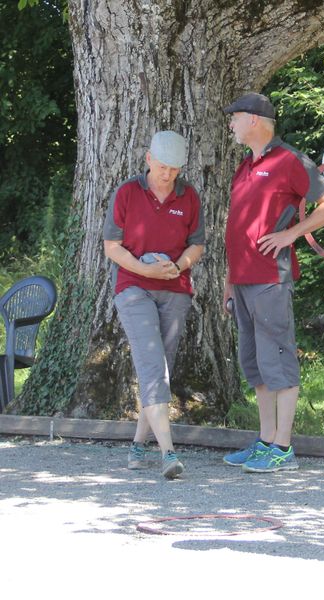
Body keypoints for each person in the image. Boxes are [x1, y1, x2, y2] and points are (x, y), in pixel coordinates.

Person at [221, 92, 324, 473]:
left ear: (255, 120)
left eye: (235, 117)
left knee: (278, 359)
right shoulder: (245, 165)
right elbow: (239, 229)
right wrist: (228, 280)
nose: (231, 124)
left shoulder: (289, 160)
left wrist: (292, 235)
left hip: (270, 278)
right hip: (241, 280)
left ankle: (283, 447)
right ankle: (265, 440)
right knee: (255, 363)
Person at [103, 131, 205, 479]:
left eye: (174, 169)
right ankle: (168, 453)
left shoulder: (188, 196)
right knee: (152, 366)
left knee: (161, 369)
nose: (168, 175)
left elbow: (197, 245)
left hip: (175, 288)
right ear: (148, 159)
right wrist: (145, 269)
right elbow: (112, 246)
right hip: (133, 287)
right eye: (162, 167)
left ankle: (136, 446)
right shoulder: (127, 192)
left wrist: (179, 266)